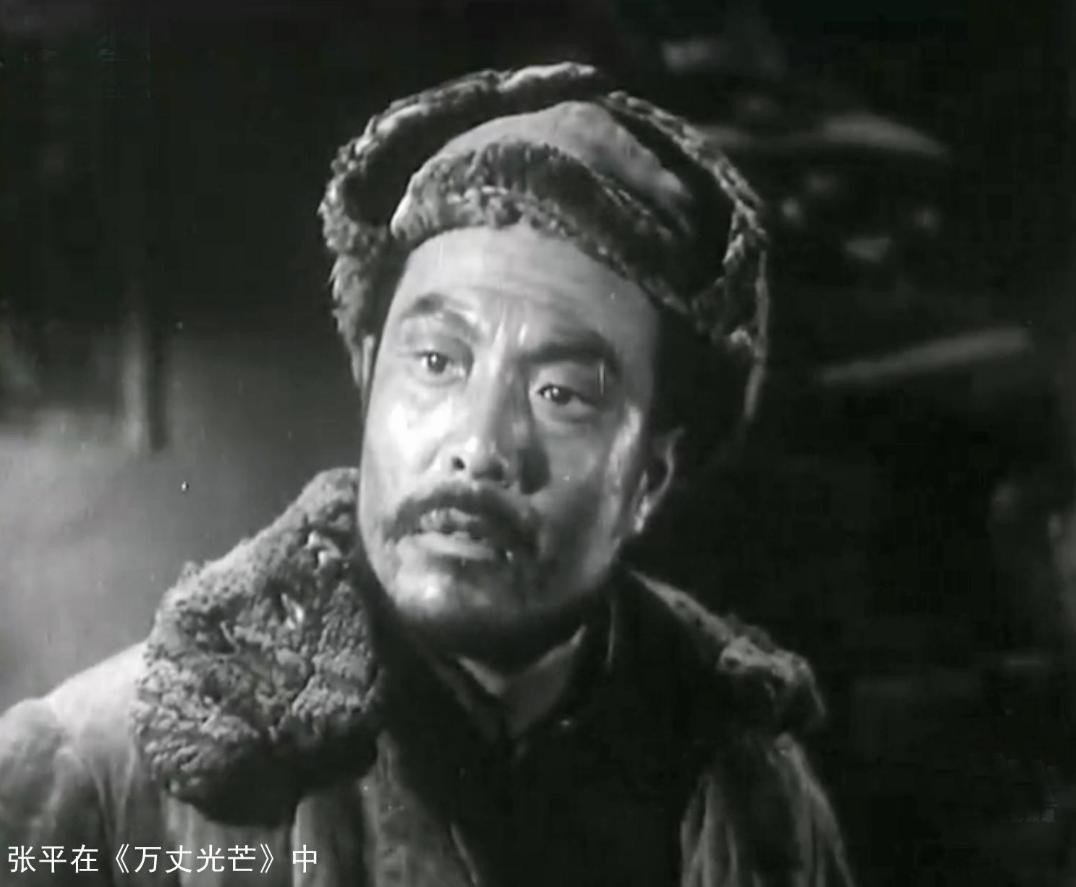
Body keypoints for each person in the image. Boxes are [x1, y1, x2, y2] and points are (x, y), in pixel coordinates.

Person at [0, 62, 854, 886]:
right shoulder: (98, 774)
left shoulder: (755, 794)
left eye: (560, 393)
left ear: (651, 477)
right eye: (438, 362)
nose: (478, 444)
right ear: (370, 373)